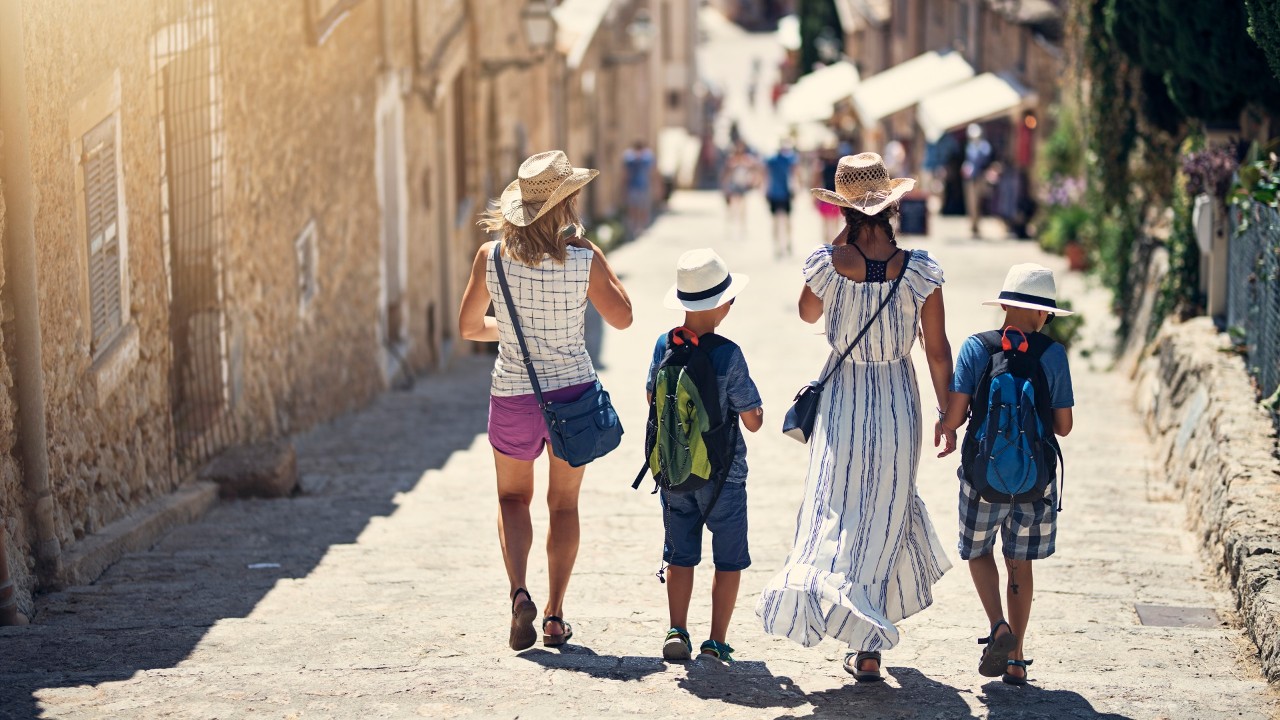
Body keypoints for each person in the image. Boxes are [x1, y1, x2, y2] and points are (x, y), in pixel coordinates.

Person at [757, 153, 955, 682]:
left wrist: (837, 258)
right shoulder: (920, 271)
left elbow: (806, 313)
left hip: (845, 397)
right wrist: (948, 412)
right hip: (898, 399)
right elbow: (936, 351)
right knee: (885, 513)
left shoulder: (828, 263)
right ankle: (870, 647)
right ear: (892, 206)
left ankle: (817, 585)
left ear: (844, 208)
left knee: (833, 504)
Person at [458, 150, 633, 651]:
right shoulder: (583, 258)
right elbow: (622, 318)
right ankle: (555, 615)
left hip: (512, 394)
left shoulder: (490, 258)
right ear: (568, 204)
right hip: (573, 395)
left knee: (513, 499)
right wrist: (596, 254)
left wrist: (513, 332)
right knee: (564, 504)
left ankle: (519, 595)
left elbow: (470, 327)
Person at [937, 263, 1075, 686]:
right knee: (1020, 562)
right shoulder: (1051, 354)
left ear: (1002, 305)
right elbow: (1064, 426)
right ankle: (1016, 658)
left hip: (983, 480)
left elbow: (957, 415)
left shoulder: (977, 348)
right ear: (1043, 314)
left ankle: (998, 625)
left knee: (978, 552)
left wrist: (946, 427)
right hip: (1034, 484)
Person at [647, 249, 763, 664]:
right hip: (724, 477)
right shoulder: (729, 354)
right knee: (727, 560)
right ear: (723, 305)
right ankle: (716, 640)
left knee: (679, 555)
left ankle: (677, 628)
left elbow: (651, 397)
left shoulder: (665, 344)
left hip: (676, 474)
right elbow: (752, 420)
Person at [764, 139, 799, 257]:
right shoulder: (789, 159)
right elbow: (794, 175)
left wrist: (765, 190)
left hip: (777, 193)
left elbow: (766, 176)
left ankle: (779, 245)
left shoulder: (772, 160)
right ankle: (786, 243)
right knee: (785, 221)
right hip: (782, 193)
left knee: (777, 221)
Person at [720, 140, 760, 238]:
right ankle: (731, 227)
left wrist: (754, 180)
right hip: (734, 186)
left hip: (742, 186)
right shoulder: (732, 161)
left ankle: (742, 227)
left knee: (742, 208)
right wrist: (725, 186)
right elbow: (726, 175)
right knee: (733, 208)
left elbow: (755, 169)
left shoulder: (746, 161)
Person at [962, 123, 993, 238]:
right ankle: (973, 224)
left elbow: (986, 159)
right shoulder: (970, 146)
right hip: (970, 178)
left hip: (980, 177)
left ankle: (977, 224)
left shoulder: (984, 146)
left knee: (979, 202)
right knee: (971, 201)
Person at [623, 140, 655, 238]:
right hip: (634, 186)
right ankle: (634, 226)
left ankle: (641, 226)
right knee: (634, 207)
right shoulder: (630, 158)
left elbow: (651, 170)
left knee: (642, 207)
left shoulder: (647, 157)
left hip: (642, 186)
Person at [814, 145, 843, 241]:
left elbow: (816, 182)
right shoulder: (838, 166)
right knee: (830, 224)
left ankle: (829, 244)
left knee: (830, 224)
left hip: (831, 197)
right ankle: (830, 244)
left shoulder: (822, 166)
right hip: (831, 197)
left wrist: (814, 198)